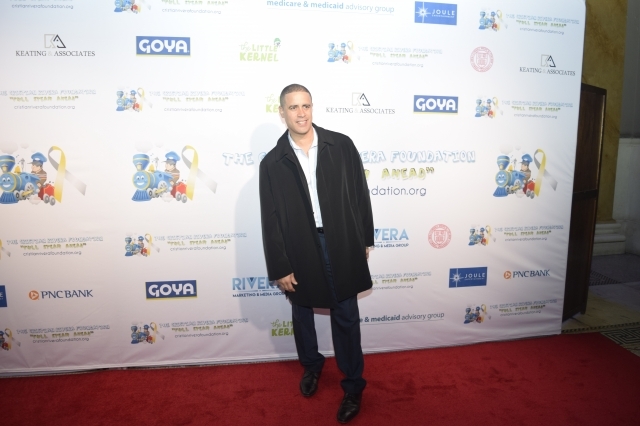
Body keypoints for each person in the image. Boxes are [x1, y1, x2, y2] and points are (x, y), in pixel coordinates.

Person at [259, 84, 374, 424]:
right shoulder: (272, 162)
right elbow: (271, 218)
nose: (301, 113)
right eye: (293, 107)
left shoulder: (341, 145)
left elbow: (360, 193)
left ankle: (353, 385)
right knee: (302, 310)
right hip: (299, 246)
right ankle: (311, 365)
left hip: (341, 241)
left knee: (347, 313)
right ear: (282, 112)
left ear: (312, 107)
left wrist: (364, 238)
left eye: (306, 106)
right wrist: (280, 265)